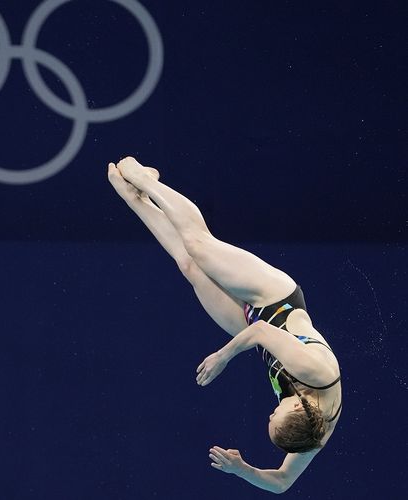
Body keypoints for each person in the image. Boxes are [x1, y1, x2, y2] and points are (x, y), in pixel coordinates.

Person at [107, 157, 341, 493]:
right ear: (295, 406)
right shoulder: (316, 373)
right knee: (199, 246)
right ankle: (145, 180)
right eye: (275, 416)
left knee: (189, 267)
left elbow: (282, 483)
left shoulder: (311, 435)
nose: (269, 415)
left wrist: (242, 469)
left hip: (257, 336)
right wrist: (222, 357)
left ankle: (134, 199)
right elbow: (262, 331)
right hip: (275, 299)